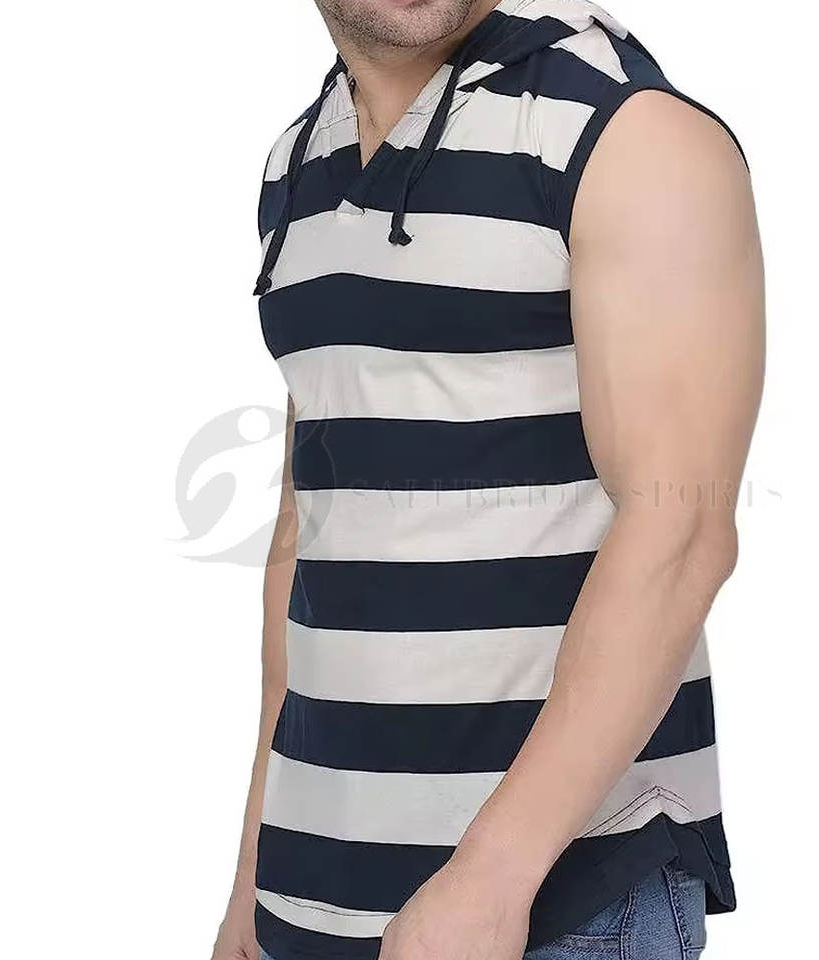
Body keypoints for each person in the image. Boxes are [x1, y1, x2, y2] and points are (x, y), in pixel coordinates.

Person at [212, 1, 764, 958]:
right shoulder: (298, 159)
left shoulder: (623, 128)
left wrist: (492, 879)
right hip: (308, 897)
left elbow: (680, 533)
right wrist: (250, 884)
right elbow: (311, 532)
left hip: (550, 905)